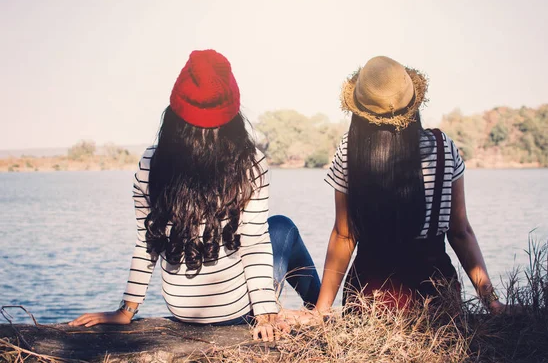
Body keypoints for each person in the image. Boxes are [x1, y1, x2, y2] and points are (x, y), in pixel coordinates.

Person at [69, 50, 321, 341]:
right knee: (281, 227)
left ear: (175, 111)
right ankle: (320, 310)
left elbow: (146, 242)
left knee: (268, 230)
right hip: (237, 308)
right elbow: (254, 243)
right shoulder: (250, 162)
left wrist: (125, 310)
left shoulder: (151, 163)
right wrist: (265, 314)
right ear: (232, 111)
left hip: (182, 309)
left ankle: (314, 309)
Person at [313, 56, 506, 314]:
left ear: (359, 112)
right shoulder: (442, 147)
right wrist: (491, 302)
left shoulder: (350, 152)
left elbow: (344, 235)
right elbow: (460, 233)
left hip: (370, 302)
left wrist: (321, 311)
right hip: (437, 303)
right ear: (413, 105)